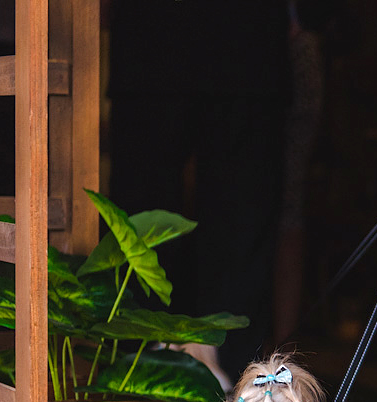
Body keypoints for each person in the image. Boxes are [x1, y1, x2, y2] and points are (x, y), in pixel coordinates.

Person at [107, 0, 290, 379]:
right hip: (173, 37)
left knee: (238, 220)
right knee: (148, 220)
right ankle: (136, 385)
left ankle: (236, 391)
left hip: (234, 39)